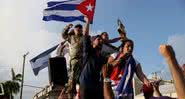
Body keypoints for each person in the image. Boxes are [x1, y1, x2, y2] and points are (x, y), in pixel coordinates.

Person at [60, 18, 89, 98]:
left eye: (80, 28)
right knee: (72, 82)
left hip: (83, 62)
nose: (79, 29)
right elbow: (63, 35)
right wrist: (67, 27)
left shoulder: (83, 37)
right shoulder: (71, 37)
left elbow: (86, 35)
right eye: (77, 27)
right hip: (74, 61)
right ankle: (70, 94)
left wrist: (87, 22)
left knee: (82, 81)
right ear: (74, 29)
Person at [79, 18, 108, 99]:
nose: (101, 41)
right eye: (98, 39)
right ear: (92, 42)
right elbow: (85, 34)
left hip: (97, 86)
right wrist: (87, 22)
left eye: (102, 40)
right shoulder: (88, 51)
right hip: (86, 85)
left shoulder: (103, 58)